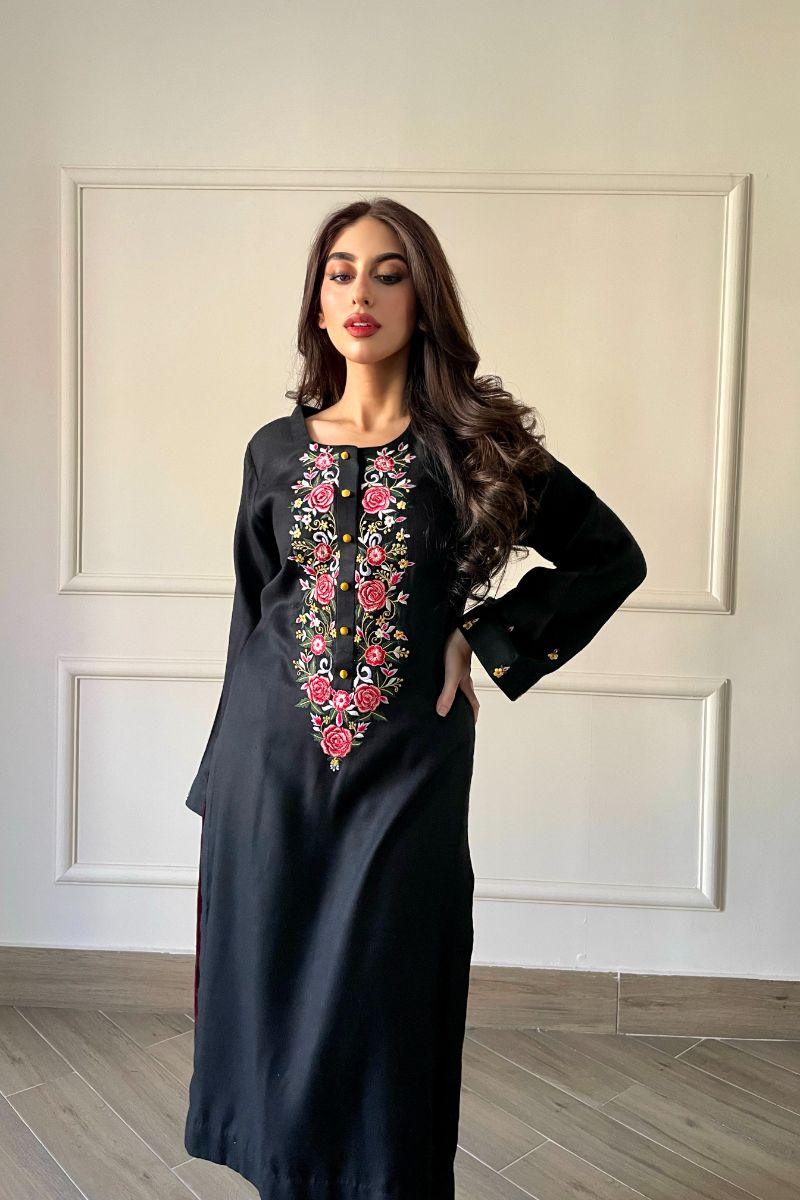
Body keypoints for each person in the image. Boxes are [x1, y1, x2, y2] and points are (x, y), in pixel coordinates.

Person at [183, 197, 647, 1200]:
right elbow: (252, 613)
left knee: (387, 994)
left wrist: (482, 635)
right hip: (270, 768)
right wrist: (218, 778)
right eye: (341, 272)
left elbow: (611, 557)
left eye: (389, 273)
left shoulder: (470, 445)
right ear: (317, 302)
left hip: (408, 767)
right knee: (269, 999)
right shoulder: (273, 450)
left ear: (423, 298)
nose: (362, 292)